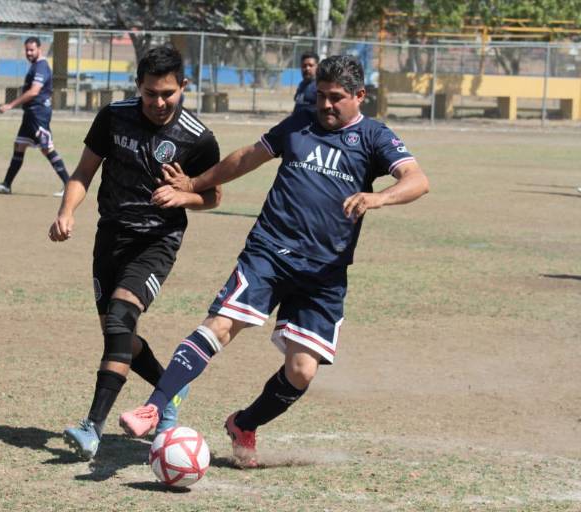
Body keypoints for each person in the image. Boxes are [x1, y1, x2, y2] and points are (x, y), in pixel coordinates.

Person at [119, 55, 430, 468]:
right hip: (271, 250)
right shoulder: (299, 123)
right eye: (321, 96)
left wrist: (379, 196)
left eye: (336, 98)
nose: (326, 105)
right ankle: (155, 406)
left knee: (301, 371)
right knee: (224, 323)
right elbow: (248, 157)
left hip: (324, 272)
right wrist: (195, 183)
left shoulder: (374, 137)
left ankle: (244, 423)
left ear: (360, 95)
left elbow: (417, 180)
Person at [48, 46, 222, 460]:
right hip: (110, 238)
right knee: (118, 331)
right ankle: (170, 387)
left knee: (122, 319)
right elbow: (83, 172)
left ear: (184, 86)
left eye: (167, 94)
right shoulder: (113, 116)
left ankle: (92, 427)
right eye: (149, 94)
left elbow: (213, 196)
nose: (158, 103)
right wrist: (66, 211)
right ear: (138, 88)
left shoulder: (199, 139)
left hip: (156, 241)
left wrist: (185, 195)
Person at [0, 36, 68, 197]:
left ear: (39, 49)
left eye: (32, 50)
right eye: (27, 50)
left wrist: (10, 105)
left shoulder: (41, 67)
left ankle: (69, 185)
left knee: (46, 148)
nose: (29, 53)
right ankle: (6, 184)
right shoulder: (35, 66)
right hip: (30, 113)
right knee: (19, 145)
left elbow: (34, 91)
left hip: (38, 114)